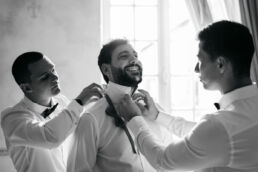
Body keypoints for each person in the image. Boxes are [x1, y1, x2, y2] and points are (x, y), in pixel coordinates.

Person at [116, 20, 258, 172]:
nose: (196, 69)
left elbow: (162, 160)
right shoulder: (237, 118)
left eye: (200, 59)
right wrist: (157, 116)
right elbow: (204, 135)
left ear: (220, 64)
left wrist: (133, 119)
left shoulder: (220, 126)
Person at [67, 39, 164, 172]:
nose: (134, 60)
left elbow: (168, 160)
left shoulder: (155, 110)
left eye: (136, 56)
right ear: (106, 69)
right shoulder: (91, 119)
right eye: (124, 56)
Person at [1, 51, 103, 172]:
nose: (55, 77)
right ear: (27, 88)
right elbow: (51, 137)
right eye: (45, 77)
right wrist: (79, 102)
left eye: (53, 70)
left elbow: (82, 132)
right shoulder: (12, 118)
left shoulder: (63, 102)